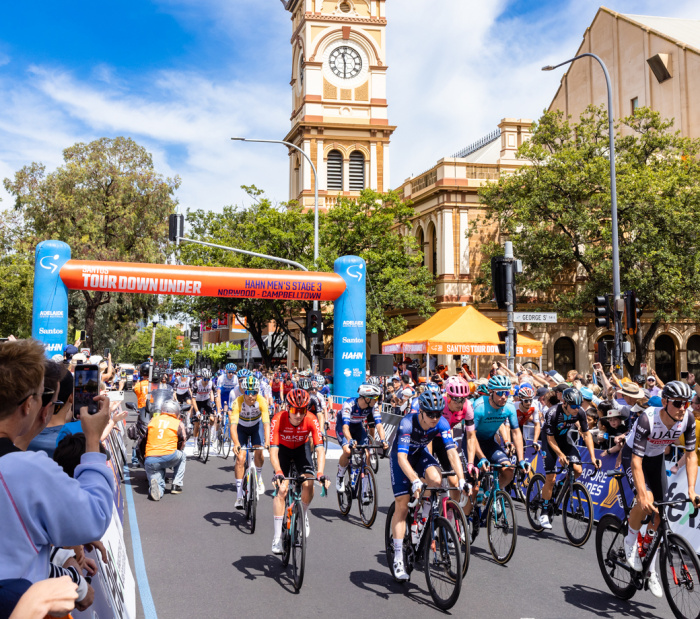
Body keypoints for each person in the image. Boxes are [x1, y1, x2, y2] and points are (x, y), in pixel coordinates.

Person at [0, 339, 113, 606]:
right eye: (42, 395)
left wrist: (62, 559)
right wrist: (93, 440)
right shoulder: (26, 469)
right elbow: (94, 517)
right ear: (29, 405)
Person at [619, 380, 699, 598]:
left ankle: (651, 568)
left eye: (687, 403)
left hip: (655, 460)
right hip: (633, 457)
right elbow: (636, 461)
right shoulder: (648, 419)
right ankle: (630, 540)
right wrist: (642, 494)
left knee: (660, 515)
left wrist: (691, 490)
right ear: (665, 402)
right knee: (646, 501)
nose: (683, 408)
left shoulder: (687, 420)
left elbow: (691, 455)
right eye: (678, 403)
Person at [388, 390, 469, 581]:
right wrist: (415, 479)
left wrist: (462, 478)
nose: (435, 418)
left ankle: (422, 521)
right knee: (402, 502)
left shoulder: (442, 423)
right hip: (402, 458)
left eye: (438, 413)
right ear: (421, 412)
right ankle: (398, 557)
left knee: (436, 479)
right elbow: (401, 457)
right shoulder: (407, 422)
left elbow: (451, 453)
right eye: (430, 414)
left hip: (420, 454)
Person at [269, 389, 330, 554]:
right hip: (283, 450)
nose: (298, 415)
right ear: (288, 408)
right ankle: (276, 538)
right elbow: (273, 451)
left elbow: (319, 449)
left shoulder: (311, 419)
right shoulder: (278, 418)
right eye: (295, 410)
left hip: (301, 450)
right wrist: (278, 471)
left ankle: (303, 514)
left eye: (302, 410)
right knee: (281, 489)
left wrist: (320, 473)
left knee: (309, 484)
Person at [539, 388, 601, 531]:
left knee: (578, 470)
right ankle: (544, 511)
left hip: (563, 440)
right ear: (565, 403)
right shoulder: (553, 413)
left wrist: (593, 457)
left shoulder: (579, 412)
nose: (576, 409)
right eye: (573, 406)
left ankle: (561, 486)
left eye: (578, 406)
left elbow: (586, 435)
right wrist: (560, 455)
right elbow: (550, 438)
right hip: (549, 442)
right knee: (550, 478)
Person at [469, 375, 529, 492]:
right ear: (491, 392)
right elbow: (471, 436)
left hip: (489, 442)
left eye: (506, 393)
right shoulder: (479, 407)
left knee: (508, 471)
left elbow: (516, 433)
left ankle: (491, 495)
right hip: (472, 443)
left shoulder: (509, 407)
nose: (503, 397)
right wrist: (481, 457)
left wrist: (521, 459)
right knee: (475, 487)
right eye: (499, 393)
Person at [335, 384, 389, 492]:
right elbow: (345, 428)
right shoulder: (349, 404)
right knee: (347, 451)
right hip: (344, 426)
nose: (377, 401)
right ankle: (340, 475)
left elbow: (379, 425)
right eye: (376, 398)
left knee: (367, 453)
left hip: (358, 427)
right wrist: (350, 440)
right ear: (367, 398)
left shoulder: (372, 406)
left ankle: (364, 490)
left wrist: (383, 440)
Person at [230, 376, 270, 507]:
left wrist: (267, 441)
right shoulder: (238, 402)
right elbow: (233, 426)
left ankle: (258, 478)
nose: (251, 396)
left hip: (255, 427)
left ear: (258, 392)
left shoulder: (262, 401)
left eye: (254, 393)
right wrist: (236, 443)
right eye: (248, 392)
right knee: (240, 458)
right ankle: (239, 496)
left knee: (259, 453)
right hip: (241, 428)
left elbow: (266, 424)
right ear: (243, 391)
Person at [144, 400, 187, 500]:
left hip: (150, 458)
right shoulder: (178, 423)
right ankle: (176, 484)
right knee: (182, 456)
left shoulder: (153, 420)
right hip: (169, 455)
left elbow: (146, 436)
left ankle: (156, 489)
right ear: (176, 411)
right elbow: (183, 440)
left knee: (158, 480)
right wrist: (179, 449)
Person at [192, 368, 216, 442]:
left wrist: (213, 403)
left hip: (206, 401)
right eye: (205, 379)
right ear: (202, 378)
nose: (206, 381)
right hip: (197, 401)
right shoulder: (197, 384)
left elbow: (215, 396)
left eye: (208, 379)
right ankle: (195, 444)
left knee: (212, 418)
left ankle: (211, 434)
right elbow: (193, 399)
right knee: (197, 424)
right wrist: (197, 411)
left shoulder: (211, 384)